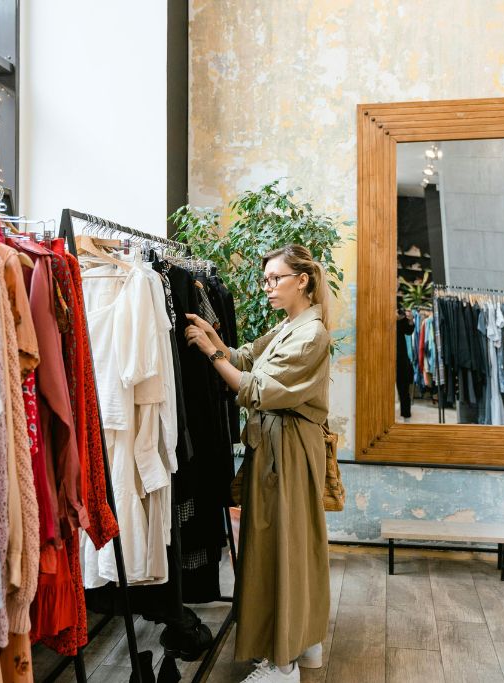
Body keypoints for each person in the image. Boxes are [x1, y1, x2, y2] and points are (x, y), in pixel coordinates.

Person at [185, 244, 331, 682]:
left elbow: (255, 387)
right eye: (265, 279)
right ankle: (305, 645)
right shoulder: (292, 325)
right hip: (279, 447)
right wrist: (214, 340)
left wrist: (211, 355)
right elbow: (245, 356)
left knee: (278, 551)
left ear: (301, 281)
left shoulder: (311, 334)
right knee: (293, 547)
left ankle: (281, 662)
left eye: (275, 279)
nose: (267, 287)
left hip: (287, 450)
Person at [396, 306, 415, 422]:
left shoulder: (400, 309)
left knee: (403, 386)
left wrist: (410, 320)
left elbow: (408, 331)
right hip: (383, 355)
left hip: (400, 355)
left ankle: (406, 415)